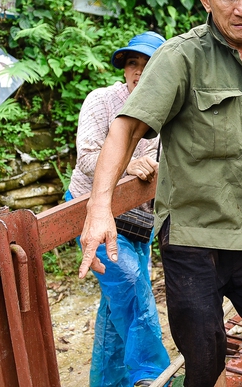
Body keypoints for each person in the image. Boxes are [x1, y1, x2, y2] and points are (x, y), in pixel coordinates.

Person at [77, 0, 242, 387]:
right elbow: (125, 130)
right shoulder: (180, 57)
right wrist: (99, 207)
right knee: (203, 350)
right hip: (193, 235)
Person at [66, 31, 170, 387]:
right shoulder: (102, 100)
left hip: (138, 220)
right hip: (93, 212)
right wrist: (129, 166)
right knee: (129, 283)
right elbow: (85, 159)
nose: (139, 72)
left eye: (148, 64)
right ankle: (153, 376)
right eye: (132, 63)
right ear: (124, 69)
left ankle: (108, 383)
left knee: (117, 305)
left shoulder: (170, 108)